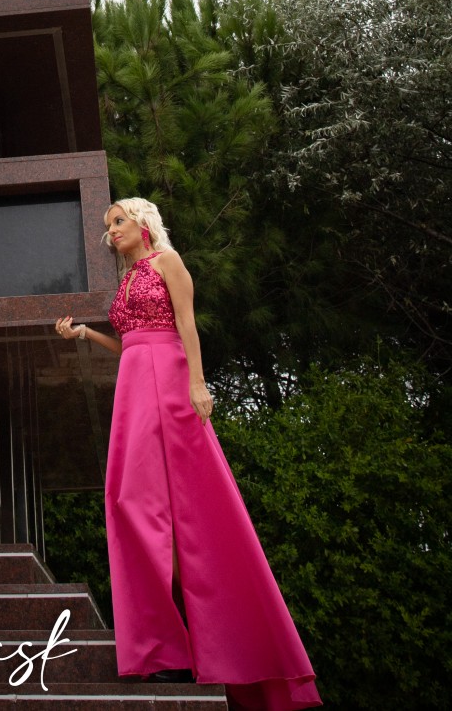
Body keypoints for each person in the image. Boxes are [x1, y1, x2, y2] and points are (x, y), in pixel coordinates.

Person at [55, 196, 321, 711]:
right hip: (134, 384)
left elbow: (186, 323)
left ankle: (196, 645)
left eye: (118, 220)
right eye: (108, 225)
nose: (111, 231)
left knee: (184, 508)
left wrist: (198, 383)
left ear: (143, 223)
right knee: (128, 501)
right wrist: (86, 333)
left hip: (169, 380)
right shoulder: (126, 281)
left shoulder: (168, 261)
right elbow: (130, 343)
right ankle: (163, 641)